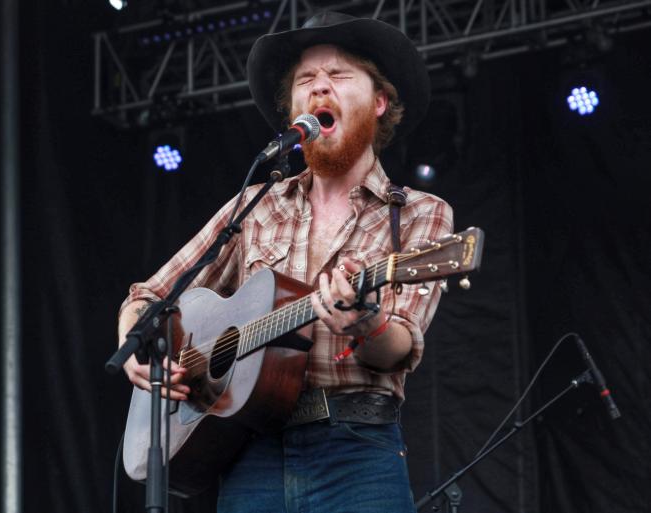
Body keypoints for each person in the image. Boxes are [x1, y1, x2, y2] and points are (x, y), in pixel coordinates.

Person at [118, 11, 453, 513]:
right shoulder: (257, 203)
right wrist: (139, 347)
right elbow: (149, 296)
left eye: (339, 75)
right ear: (292, 110)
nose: (320, 88)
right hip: (250, 452)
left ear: (380, 102)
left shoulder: (419, 215)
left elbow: (400, 345)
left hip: (357, 452)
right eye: (305, 80)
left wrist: (364, 321)